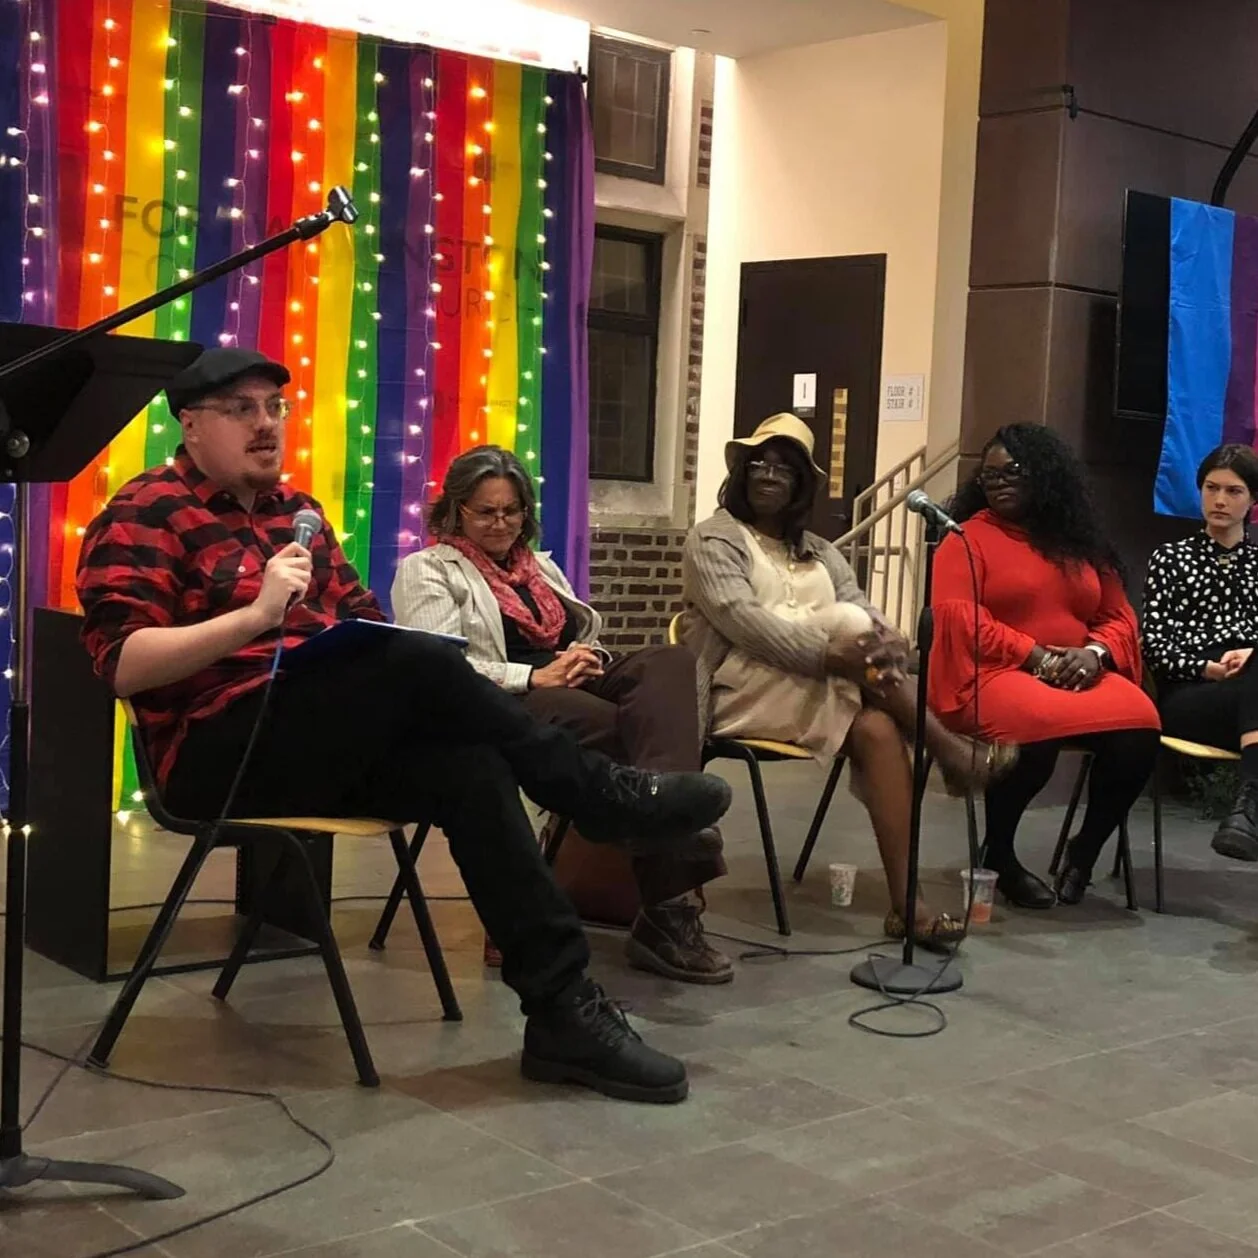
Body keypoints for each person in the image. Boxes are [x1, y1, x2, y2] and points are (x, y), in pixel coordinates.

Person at [75, 347, 734, 1106]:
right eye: (241, 409)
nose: (266, 424)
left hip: (319, 739)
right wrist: (255, 616)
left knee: (472, 768)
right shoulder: (145, 511)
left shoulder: (300, 516)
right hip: (216, 750)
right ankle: (597, 793)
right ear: (190, 425)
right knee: (421, 662)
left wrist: (366, 654)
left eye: (274, 407)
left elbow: (367, 623)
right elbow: (123, 665)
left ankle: (562, 1012)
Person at [391, 445, 730, 985]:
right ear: (456, 510)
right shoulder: (428, 569)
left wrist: (582, 656)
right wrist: (534, 677)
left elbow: (576, 633)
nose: (501, 523)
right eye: (486, 511)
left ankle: (658, 820)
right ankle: (670, 900)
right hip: (501, 700)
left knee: (671, 663)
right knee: (625, 728)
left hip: (567, 680)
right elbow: (441, 667)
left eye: (512, 510)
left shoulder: (538, 567)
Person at [682, 413, 1014, 949]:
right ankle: (949, 749)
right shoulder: (712, 539)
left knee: (877, 724)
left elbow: (865, 610)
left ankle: (907, 905)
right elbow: (742, 621)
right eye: (759, 463)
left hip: (817, 689)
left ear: (801, 485)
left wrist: (891, 642)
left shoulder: (822, 551)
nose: (769, 474)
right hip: (738, 690)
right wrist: (830, 653)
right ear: (741, 473)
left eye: (785, 468)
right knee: (849, 628)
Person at [930, 423, 1160, 907]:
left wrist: (1094, 653)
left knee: (1140, 726)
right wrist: (1034, 655)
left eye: (1012, 471)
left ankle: (1085, 850)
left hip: (1076, 672)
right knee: (1037, 726)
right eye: (990, 475)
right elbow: (961, 620)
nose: (999, 483)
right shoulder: (965, 540)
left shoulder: (1079, 543)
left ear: (1044, 474)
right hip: (993, 672)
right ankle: (1000, 854)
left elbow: (1118, 615)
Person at [1143, 443, 1258, 860]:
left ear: (1253, 500)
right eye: (1212, 488)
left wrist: (1250, 652)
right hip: (1190, 694)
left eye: (1233, 491)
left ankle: (1247, 810)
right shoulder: (1170, 559)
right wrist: (1206, 667)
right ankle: (1249, 807)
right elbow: (1154, 645)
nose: (1220, 500)